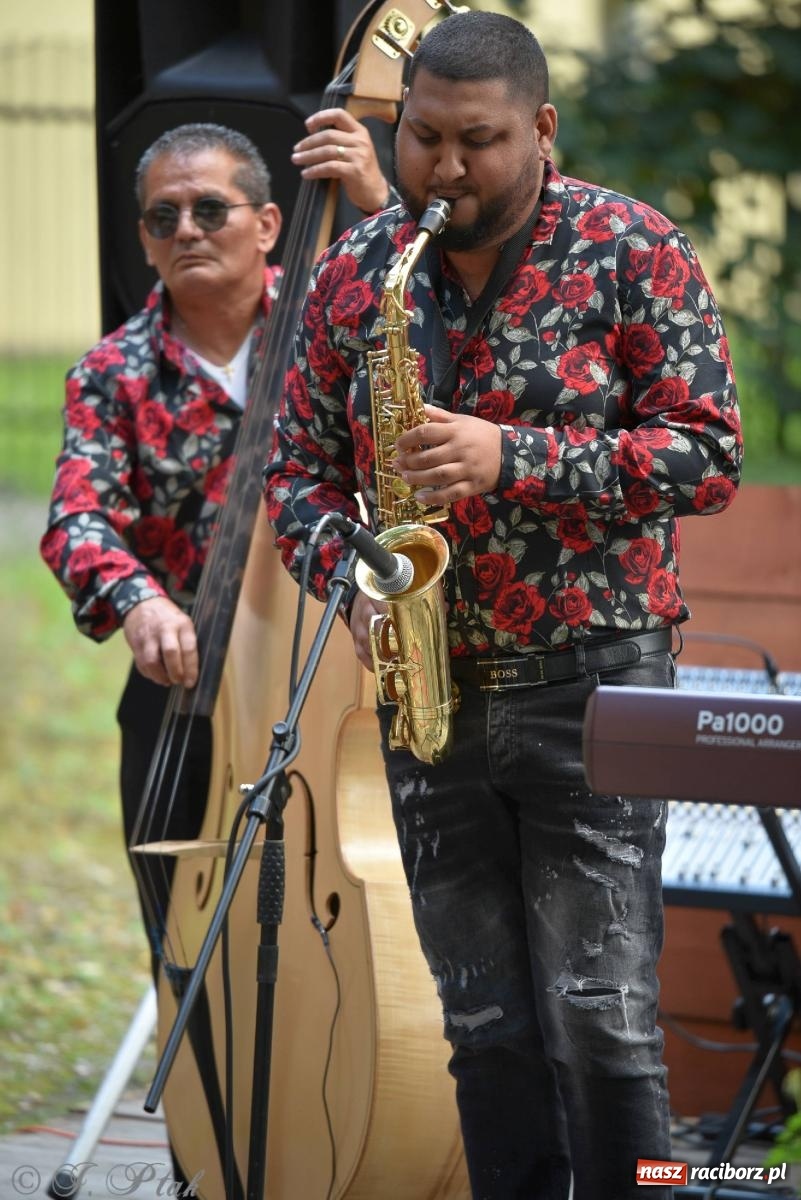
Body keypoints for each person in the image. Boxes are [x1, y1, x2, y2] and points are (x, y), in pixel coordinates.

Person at [264, 11, 742, 1200]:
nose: (442, 169)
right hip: (434, 690)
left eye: (476, 142)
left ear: (541, 129)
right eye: (422, 136)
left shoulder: (632, 248)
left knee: (603, 1016)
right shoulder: (360, 270)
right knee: (482, 1023)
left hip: (598, 680)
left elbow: (707, 454)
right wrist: (361, 577)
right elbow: (296, 479)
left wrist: (513, 456)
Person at [40, 114, 392, 948]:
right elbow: (76, 514)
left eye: (209, 209)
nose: (186, 230)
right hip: (186, 686)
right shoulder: (111, 373)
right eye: (164, 218)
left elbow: (437, 324)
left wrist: (379, 205)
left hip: (332, 665)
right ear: (145, 241)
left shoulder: (332, 324)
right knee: (182, 923)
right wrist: (139, 601)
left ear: (268, 225)